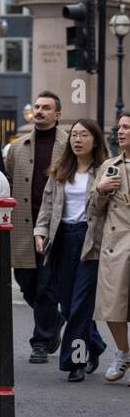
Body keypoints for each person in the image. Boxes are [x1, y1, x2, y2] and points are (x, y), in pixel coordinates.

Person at [34, 118, 108, 381]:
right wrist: (40, 232)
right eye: (74, 135)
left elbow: (105, 208)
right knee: (66, 306)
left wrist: (99, 190)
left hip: (90, 241)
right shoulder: (61, 170)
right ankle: (96, 345)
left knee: (80, 304)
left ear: (95, 140)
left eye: (84, 135)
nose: (77, 139)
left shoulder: (104, 171)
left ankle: (75, 362)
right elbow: (47, 205)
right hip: (62, 239)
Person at [5, 91, 69, 364]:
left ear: (58, 114)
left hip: (56, 228)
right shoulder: (18, 147)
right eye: (37, 107)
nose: (40, 111)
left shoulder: (68, 146)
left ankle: (41, 341)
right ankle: (54, 321)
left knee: (46, 286)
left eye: (46, 108)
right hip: (22, 226)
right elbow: (7, 182)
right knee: (26, 282)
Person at [93, 113, 130, 382]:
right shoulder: (110, 166)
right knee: (112, 305)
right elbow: (93, 210)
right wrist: (101, 190)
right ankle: (123, 352)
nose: (120, 132)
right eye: (119, 127)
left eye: (127, 127)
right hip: (116, 244)